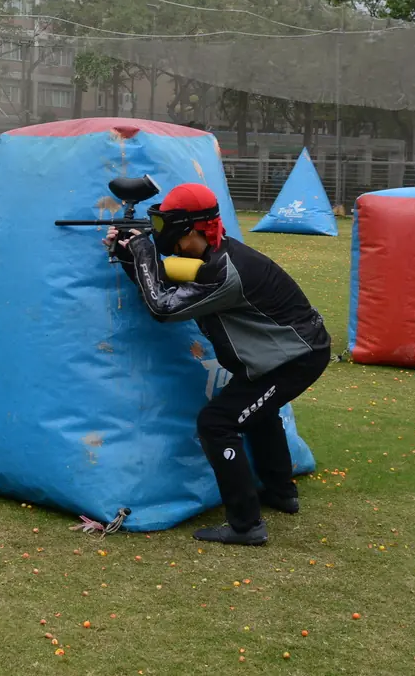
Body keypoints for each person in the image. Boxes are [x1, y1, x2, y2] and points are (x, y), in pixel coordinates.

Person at [106, 182, 330, 546]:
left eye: (164, 228)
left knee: (217, 423)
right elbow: (164, 288)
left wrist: (143, 250)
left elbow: (163, 307)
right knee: (257, 412)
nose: (159, 235)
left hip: (295, 358)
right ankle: (280, 493)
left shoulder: (224, 270)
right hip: (282, 355)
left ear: (188, 230)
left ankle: (246, 525)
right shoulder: (213, 258)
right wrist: (133, 256)